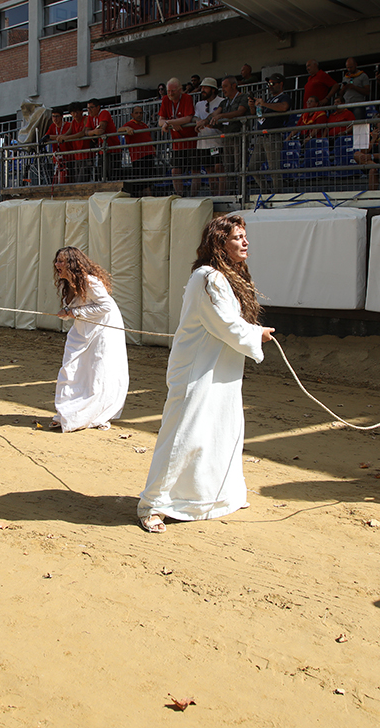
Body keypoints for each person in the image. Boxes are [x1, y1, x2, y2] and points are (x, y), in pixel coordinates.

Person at [137, 215, 275, 533]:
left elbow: (227, 323)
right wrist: (257, 335)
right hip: (198, 368)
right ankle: (154, 504)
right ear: (219, 243)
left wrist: (253, 333)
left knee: (222, 429)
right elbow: (224, 323)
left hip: (221, 366)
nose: (245, 242)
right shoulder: (207, 277)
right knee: (185, 433)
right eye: (238, 237)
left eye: (245, 236)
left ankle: (218, 497)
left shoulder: (225, 277)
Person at [51, 247, 128, 433]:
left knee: (98, 371)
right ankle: (69, 412)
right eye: (57, 260)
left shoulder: (90, 282)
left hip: (103, 330)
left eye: (62, 261)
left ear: (72, 264)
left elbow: (106, 307)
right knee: (73, 367)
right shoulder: (70, 283)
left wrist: (73, 312)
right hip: (85, 329)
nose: (57, 265)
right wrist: (71, 312)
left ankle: (96, 414)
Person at [246, 72, 291, 193]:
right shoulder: (270, 99)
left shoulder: (283, 97)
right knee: (252, 167)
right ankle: (266, 191)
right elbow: (257, 115)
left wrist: (264, 103)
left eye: (273, 83)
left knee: (273, 168)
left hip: (273, 135)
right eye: (269, 83)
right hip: (261, 135)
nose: (270, 86)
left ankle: (277, 194)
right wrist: (253, 106)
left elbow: (284, 107)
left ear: (281, 84)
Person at [158, 78, 197, 196]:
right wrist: (173, 123)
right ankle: (180, 196)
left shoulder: (187, 98)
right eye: (168, 91)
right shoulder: (165, 99)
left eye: (173, 91)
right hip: (177, 143)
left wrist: (170, 122)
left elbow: (188, 118)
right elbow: (160, 121)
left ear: (180, 90)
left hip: (191, 141)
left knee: (195, 171)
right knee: (175, 171)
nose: (170, 93)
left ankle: (194, 196)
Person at [119, 105, 156, 194]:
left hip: (149, 155)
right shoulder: (130, 124)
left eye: (140, 113)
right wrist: (126, 128)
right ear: (132, 114)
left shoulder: (144, 125)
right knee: (142, 182)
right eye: (137, 113)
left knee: (148, 180)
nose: (139, 115)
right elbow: (119, 130)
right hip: (138, 157)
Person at [352, 119, 380, 190]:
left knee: (372, 170)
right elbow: (364, 152)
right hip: (370, 162)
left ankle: (372, 195)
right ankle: (375, 166)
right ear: (375, 127)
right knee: (357, 154)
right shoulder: (370, 136)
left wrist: (371, 156)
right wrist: (373, 139)